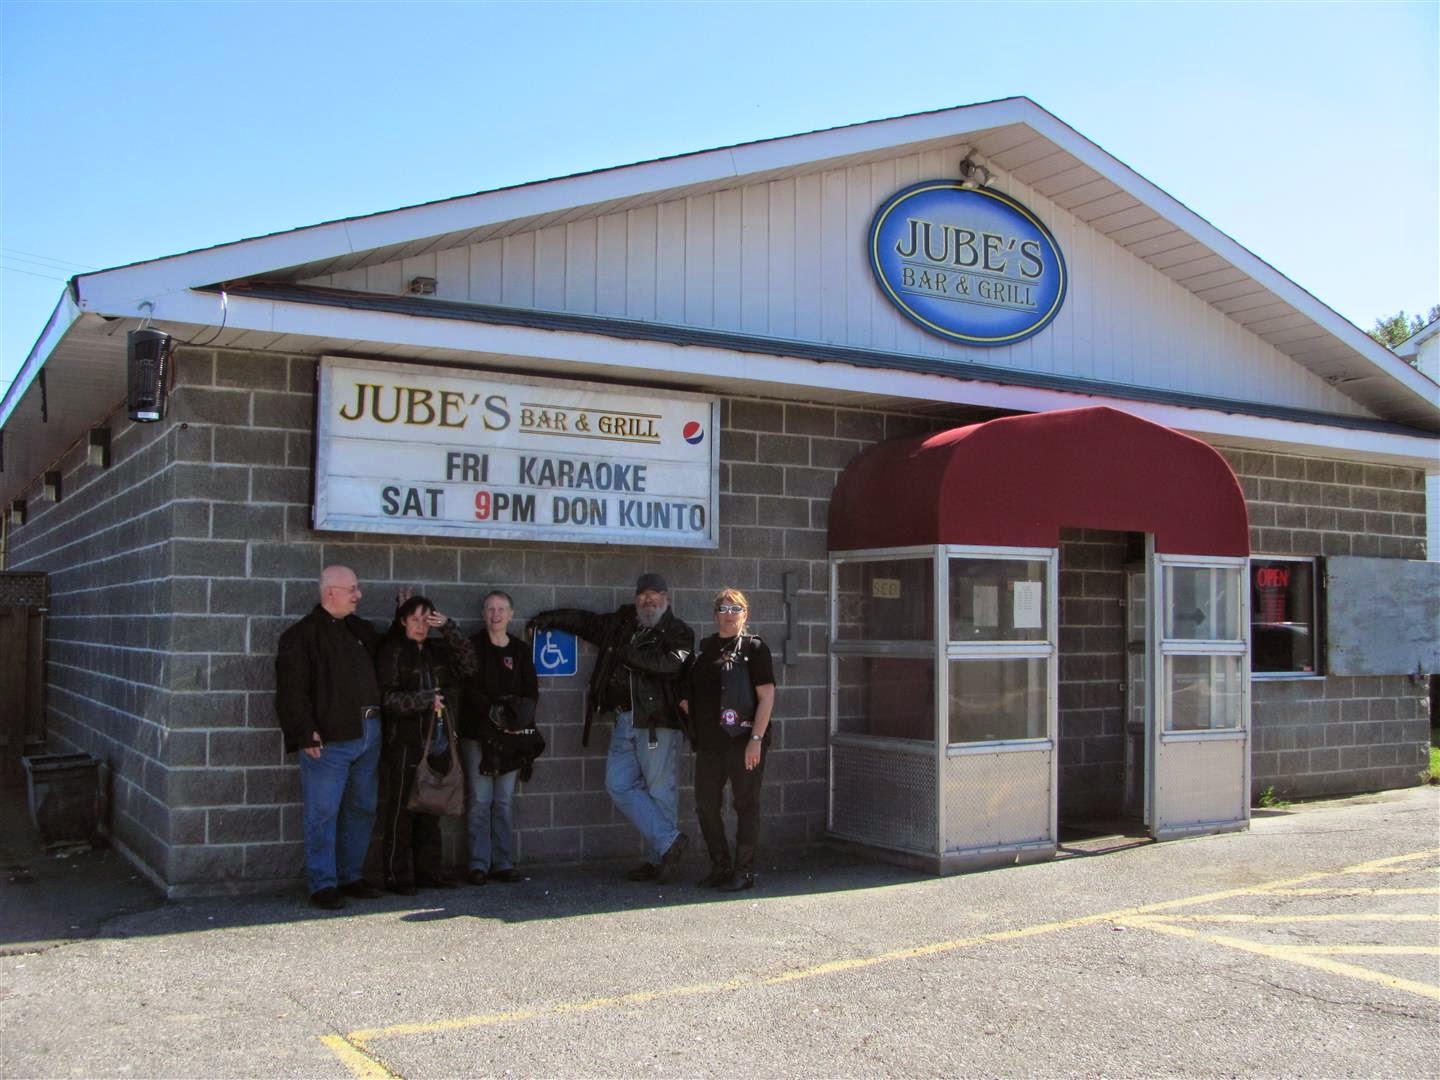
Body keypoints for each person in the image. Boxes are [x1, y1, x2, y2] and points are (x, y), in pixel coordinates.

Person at [529, 573, 694, 883]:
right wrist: (550, 618)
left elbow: (670, 665)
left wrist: (628, 654)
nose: (649, 600)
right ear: (636, 599)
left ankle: (659, 859)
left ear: (667, 599)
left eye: (656, 595)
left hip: (657, 723)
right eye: (644, 595)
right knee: (618, 783)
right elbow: (587, 623)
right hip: (624, 719)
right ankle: (669, 843)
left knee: (660, 792)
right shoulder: (621, 623)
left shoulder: (679, 631)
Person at [274, 565, 391, 910]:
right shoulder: (301, 636)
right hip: (329, 740)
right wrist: (303, 731)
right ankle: (323, 884)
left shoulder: (361, 630)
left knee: (363, 808)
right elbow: (291, 691)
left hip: (369, 733)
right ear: (330, 593)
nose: (359, 595)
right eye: (352, 589)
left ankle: (350, 876)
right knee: (322, 813)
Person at [375, 595, 478, 895]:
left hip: (438, 743)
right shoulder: (393, 652)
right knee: (401, 812)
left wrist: (449, 628)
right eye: (415, 619)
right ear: (403, 621)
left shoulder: (437, 651)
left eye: (426, 620)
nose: (421, 626)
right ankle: (397, 875)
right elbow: (387, 699)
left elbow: (469, 663)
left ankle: (429, 871)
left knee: (431, 811)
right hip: (405, 744)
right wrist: (423, 700)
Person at [682, 588, 776, 892]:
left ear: (745, 614)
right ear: (714, 615)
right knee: (705, 805)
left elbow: (767, 696)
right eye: (723, 608)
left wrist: (756, 739)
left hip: (743, 740)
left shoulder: (755, 648)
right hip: (710, 743)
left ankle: (744, 871)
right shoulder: (706, 649)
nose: (728, 614)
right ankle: (720, 866)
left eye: (735, 609)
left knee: (746, 804)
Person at [460, 590, 544, 885]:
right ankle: (479, 864)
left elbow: (531, 692)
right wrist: (494, 711)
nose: (495, 615)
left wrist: (515, 719)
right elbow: (469, 689)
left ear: (511, 614)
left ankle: (503, 863)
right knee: (480, 801)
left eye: (501, 609)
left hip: (510, 738)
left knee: (504, 801)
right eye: (490, 609)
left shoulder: (520, 651)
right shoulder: (472, 646)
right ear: (483, 614)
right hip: (479, 736)